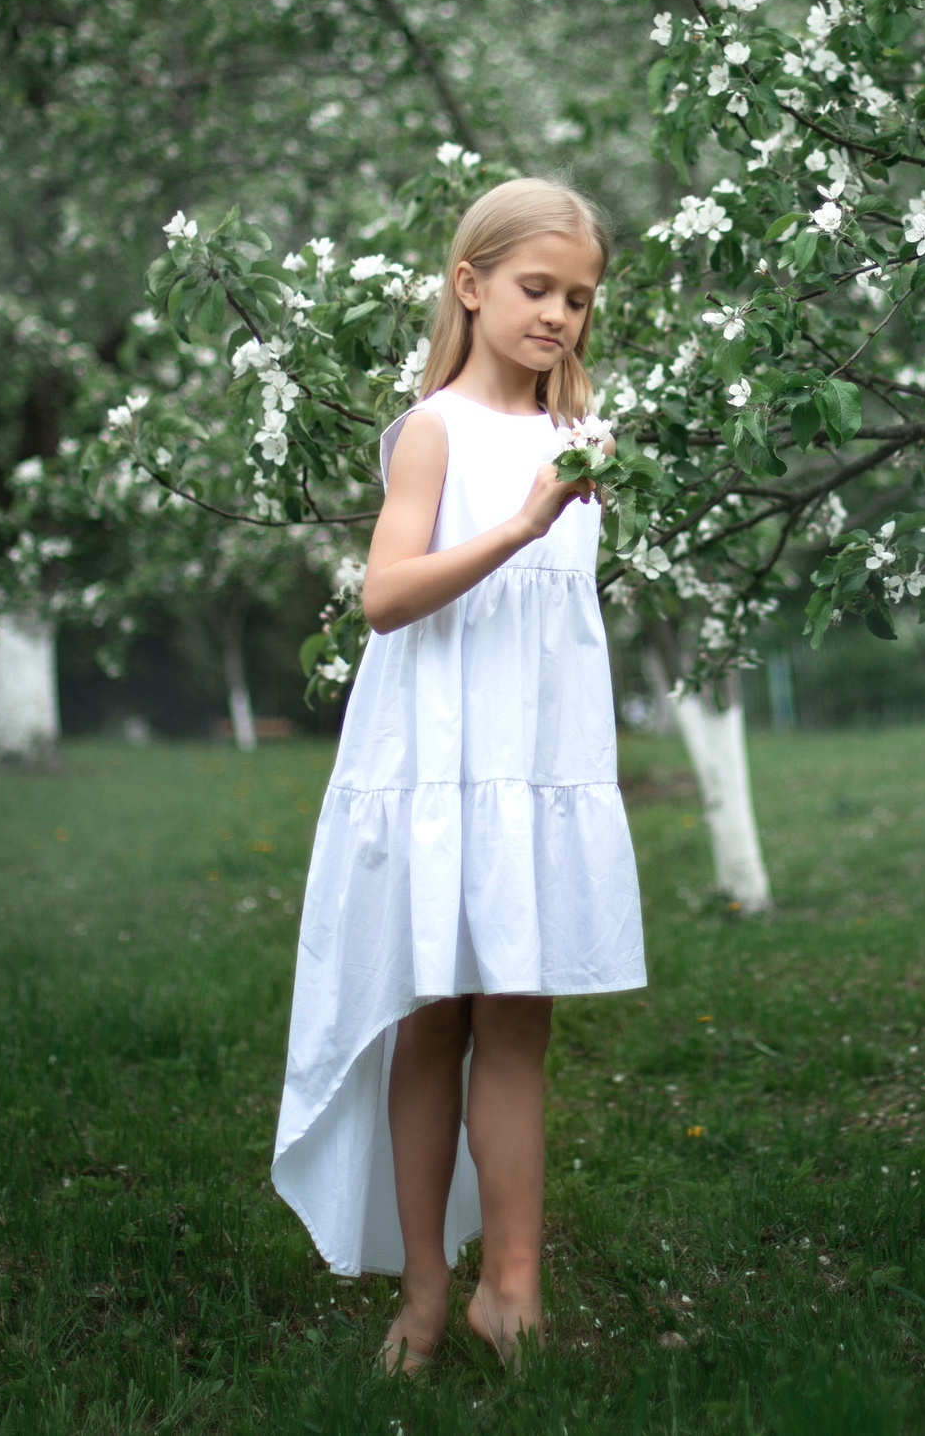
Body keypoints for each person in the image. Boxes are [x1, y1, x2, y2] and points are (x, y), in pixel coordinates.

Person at [270, 177, 646, 1374]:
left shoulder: (579, 439)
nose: (559, 316)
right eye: (537, 288)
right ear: (470, 286)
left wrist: (566, 497)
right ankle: (425, 1289)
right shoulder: (433, 429)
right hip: (437, 756)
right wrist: (522, 525)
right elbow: (385, 597)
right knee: (431, 1019)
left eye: (578, 298)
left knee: (519, 1020)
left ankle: (513, 1289)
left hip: (530, 760)